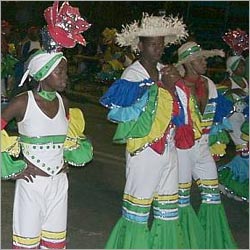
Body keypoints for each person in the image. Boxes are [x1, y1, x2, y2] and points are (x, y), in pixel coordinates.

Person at [99, 13, 201, 249]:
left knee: (168, 207)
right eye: (153, 44)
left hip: (169, 148)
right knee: (139, 206)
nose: (158, 49)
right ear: (140, 46)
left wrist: (177, 87)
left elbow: (182, 111)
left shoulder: (166, 70)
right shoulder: (132, 76)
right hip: (144, 150)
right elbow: (117, 115)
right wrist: (156, 91)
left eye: (161, 44)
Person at [1, 1, 93, 248]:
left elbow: (68, 140)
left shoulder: (65, 103)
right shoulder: (23, 102)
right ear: (42, 74)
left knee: (54, 244)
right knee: (27, 244)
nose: (65, 77)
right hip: (32, 185)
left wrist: (64, 158)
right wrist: (14, 167)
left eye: (65, 71)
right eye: (60, 72)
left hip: (59, 184)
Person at [175, 41, 237, 249]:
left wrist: (216, 142)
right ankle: (183, 241)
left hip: (202, 148)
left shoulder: (209, 84)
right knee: (182, 198)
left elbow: (216, 120)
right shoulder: (177, 86)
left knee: (212, 195)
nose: (205, 62)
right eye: (201, 59)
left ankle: (211, 241)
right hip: (182, 149)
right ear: (189, 62)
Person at [217, 55, 249, 202]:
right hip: (234, 121)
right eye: (240, 65)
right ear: (233, 68)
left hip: (246, 119)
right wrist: (234, 93)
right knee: (244, 150)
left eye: (243, 65)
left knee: (245, 152)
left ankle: (230, 180)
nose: (243, 68)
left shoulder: (245, 81)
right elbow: (219, 95)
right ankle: (226, 178)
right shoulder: (227, 82)